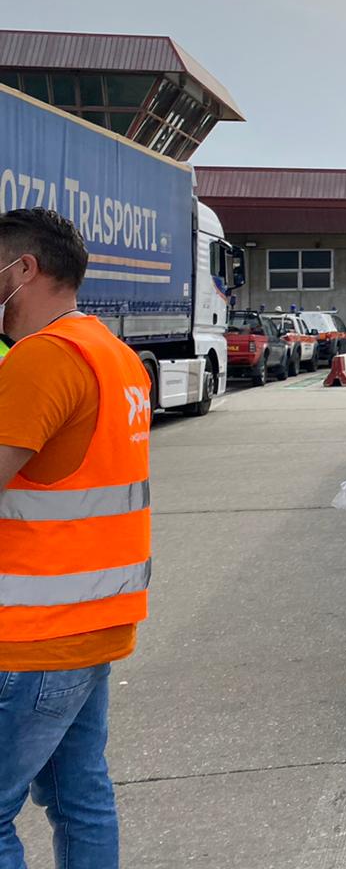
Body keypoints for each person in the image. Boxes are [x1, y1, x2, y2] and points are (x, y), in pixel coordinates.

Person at [0, 208, 153, 866]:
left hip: (32, 634)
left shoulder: (41, 359)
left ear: (23, 269)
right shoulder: (113, 354)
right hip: (91, 623)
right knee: (78, 795)